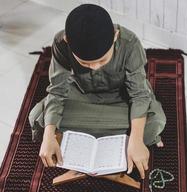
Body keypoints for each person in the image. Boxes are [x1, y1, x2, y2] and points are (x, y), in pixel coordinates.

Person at [28, 4, 166, 180]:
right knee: (37, 117)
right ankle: (118, 143)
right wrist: (48, 135)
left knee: (156, 120)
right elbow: (57, 91)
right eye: (85, 63)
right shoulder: (60, 43)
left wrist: (137, 138)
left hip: (121, 99)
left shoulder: (129, 43)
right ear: (67, 41)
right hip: (81, 96)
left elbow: (138, 95)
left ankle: (83, 141)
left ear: (115, 37)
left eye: (102, 60)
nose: (94, 67)